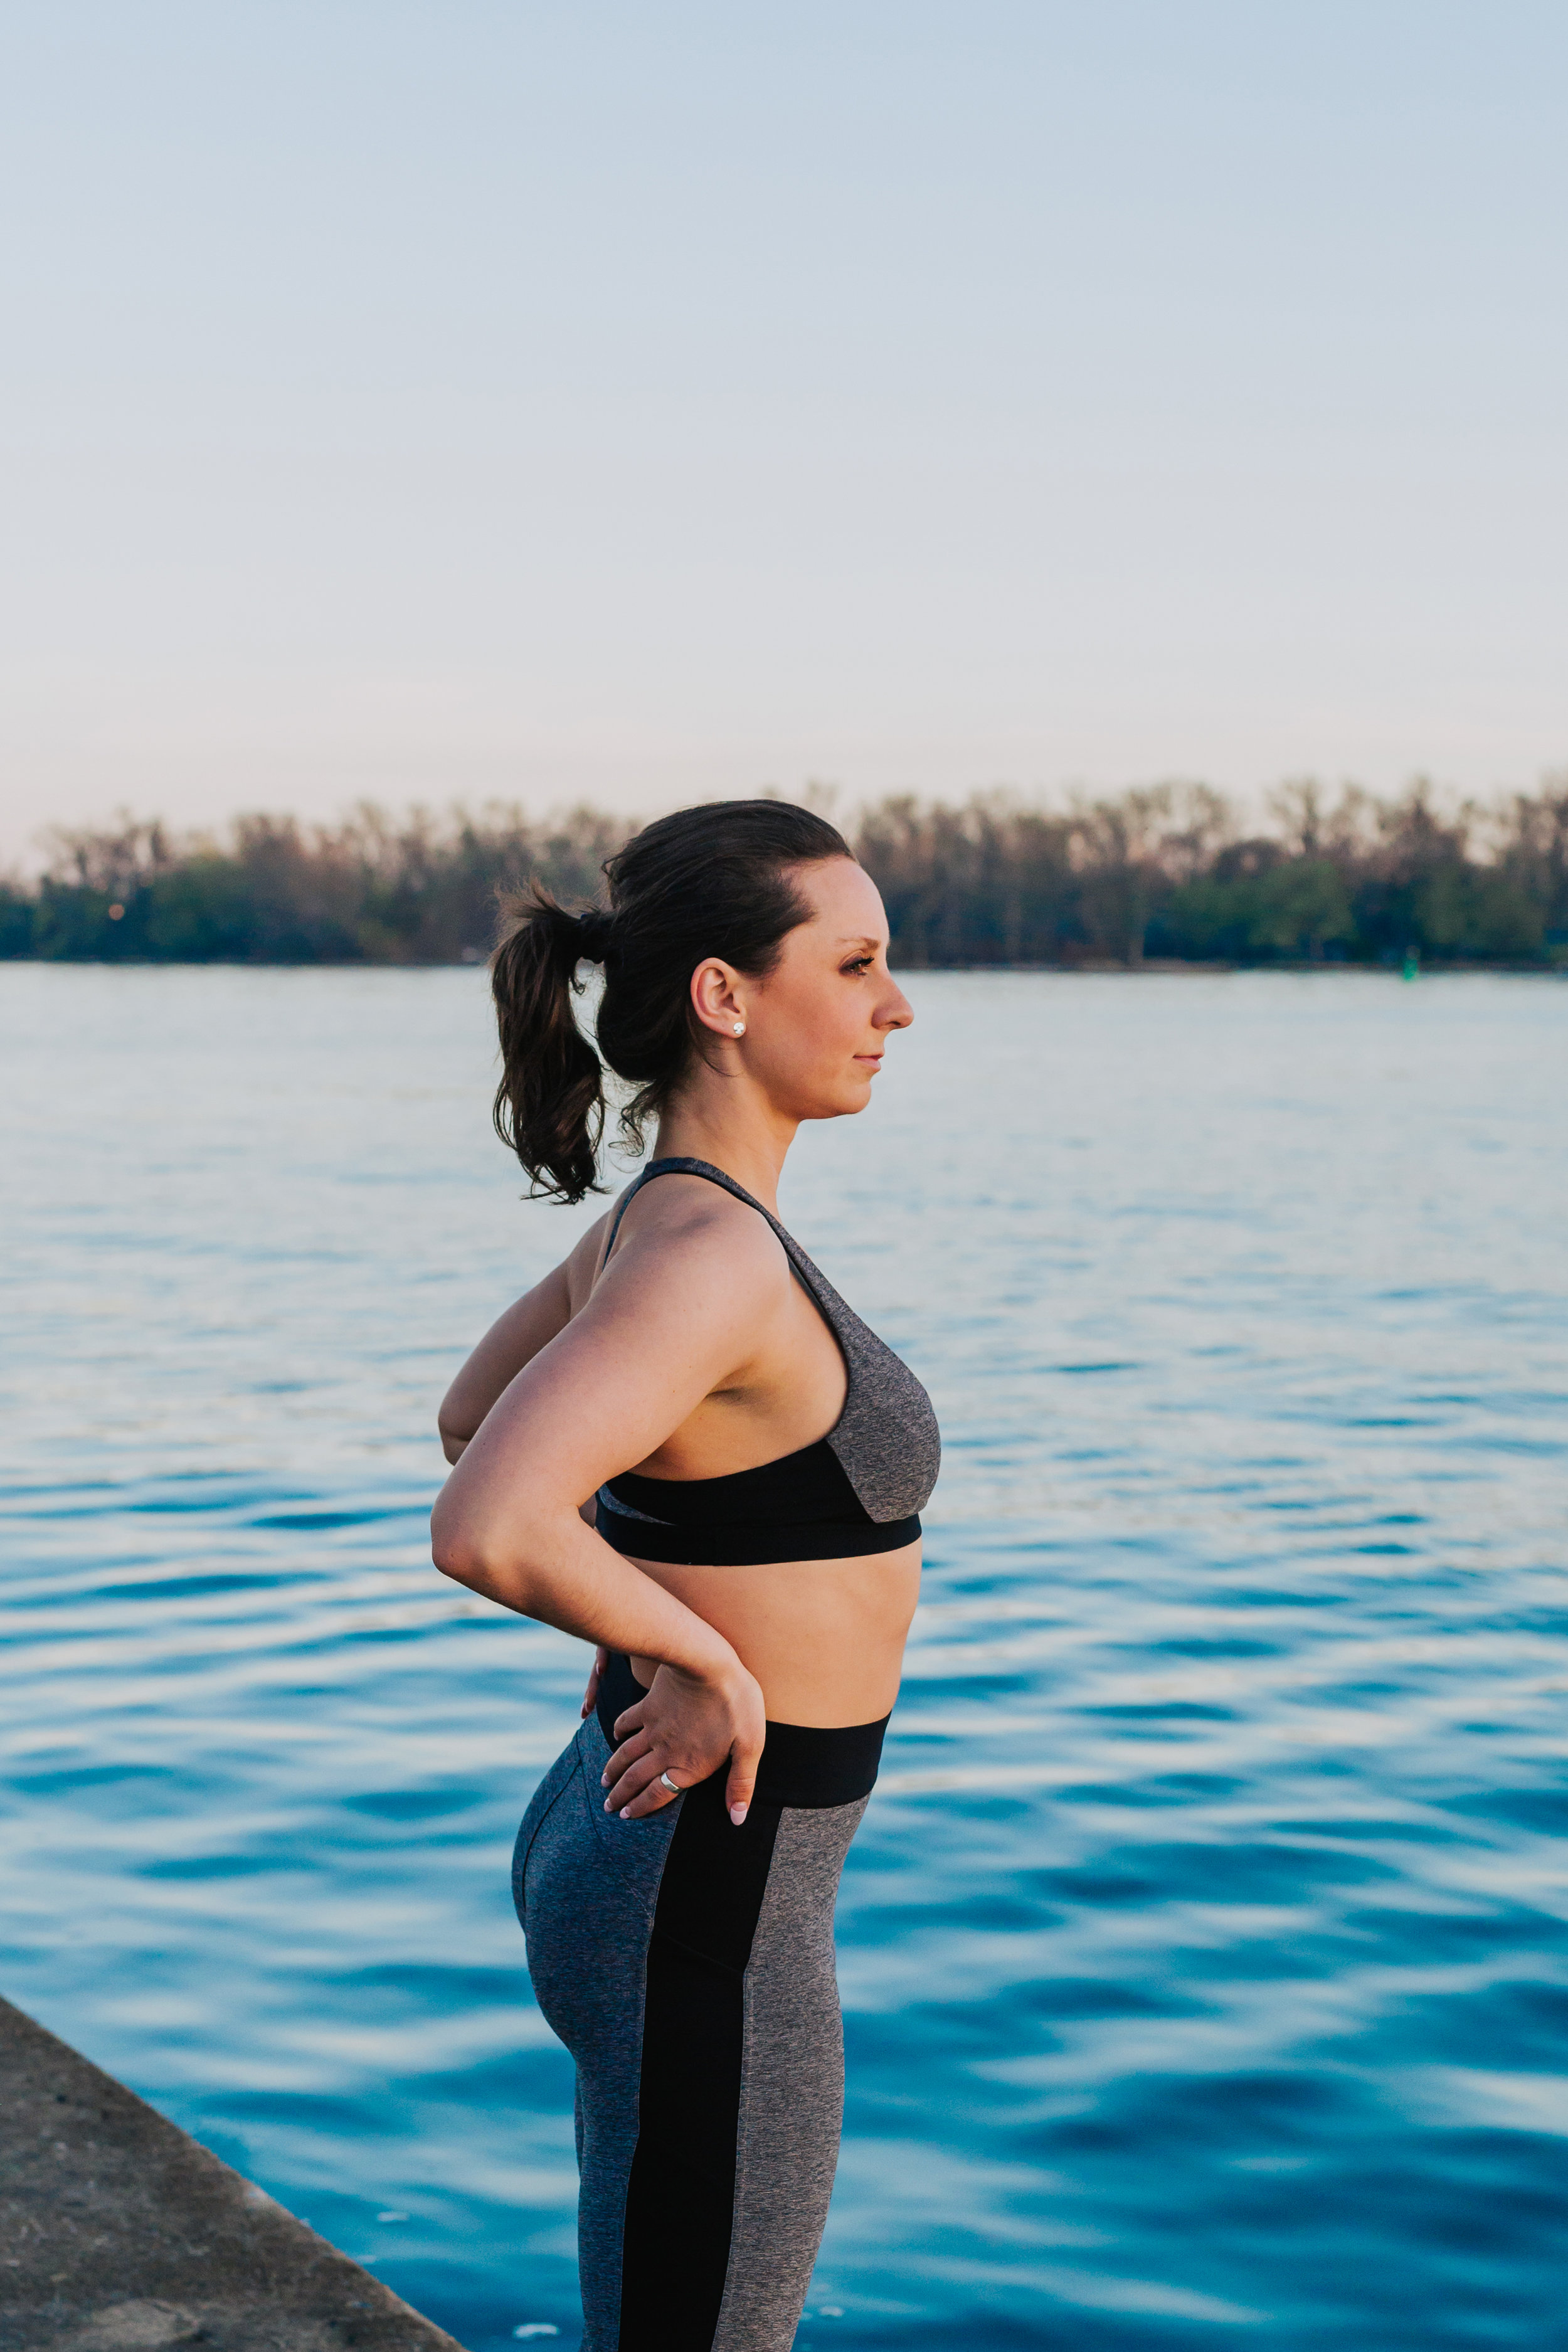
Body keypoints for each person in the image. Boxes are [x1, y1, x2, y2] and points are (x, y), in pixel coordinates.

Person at [430, 800, 940, 2352]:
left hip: (661, 1854)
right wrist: (706, 1660)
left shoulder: (664, 1224)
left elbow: (471, 1419)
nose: (893, 1006)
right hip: (703, 1886)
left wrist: (652, 1629)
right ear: (725, 995)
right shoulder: (706, 1255)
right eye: (852, 965)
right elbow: (488, 1513)